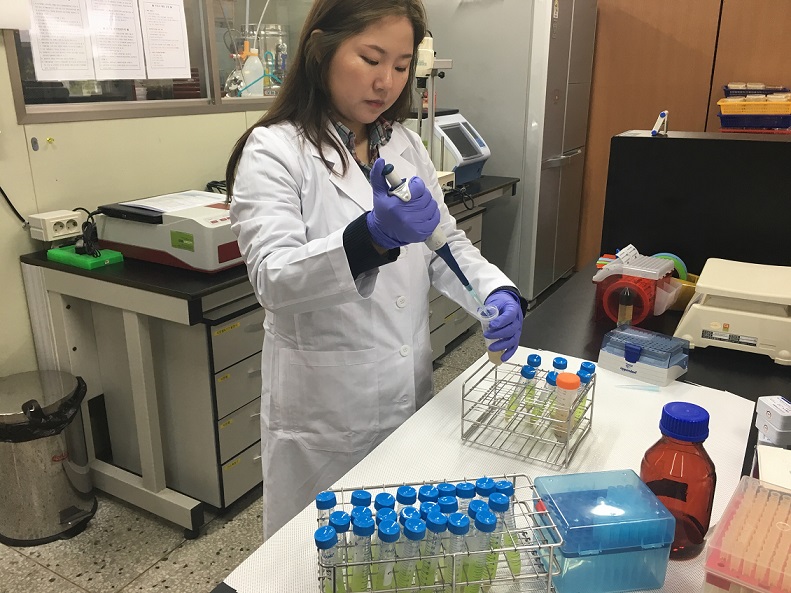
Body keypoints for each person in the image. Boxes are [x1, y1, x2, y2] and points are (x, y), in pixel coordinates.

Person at [226, 0, 525, 540]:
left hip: (407, 393)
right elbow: (274, 279)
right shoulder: (274, 151)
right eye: (370, 59)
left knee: (395, 549)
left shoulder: (403, 143)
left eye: (402, 65)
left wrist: (493, 292)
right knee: (317, 552)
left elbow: (443, 243)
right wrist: (371, 239)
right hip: (324, 415)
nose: (386, 81)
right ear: (321, 49)